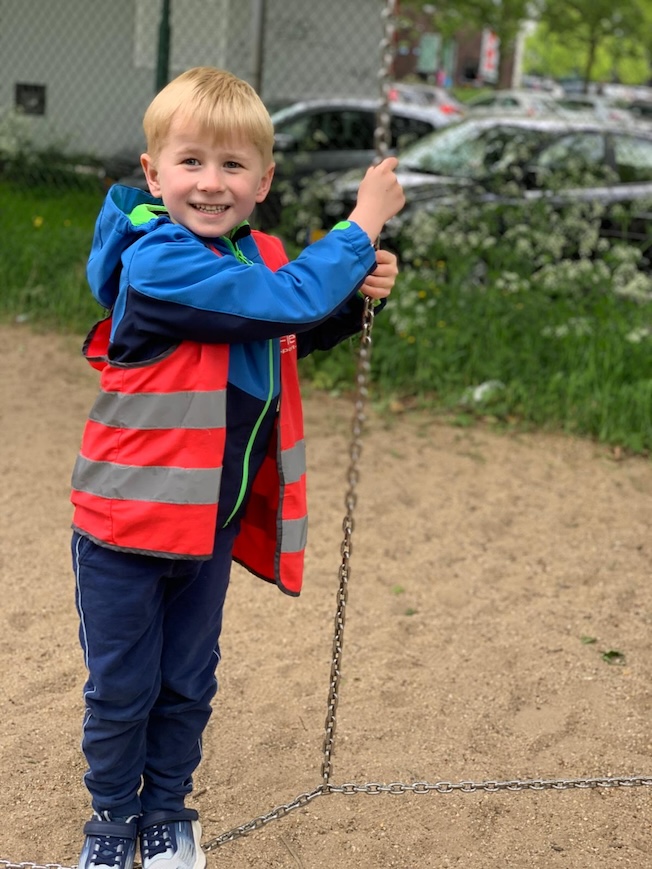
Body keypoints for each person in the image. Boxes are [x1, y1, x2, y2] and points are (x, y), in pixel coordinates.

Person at [70, 66, 404, 869]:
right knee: (122, 687)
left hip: (205, 526)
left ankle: (166, 810)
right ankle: (111, 820)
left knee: (188, 680)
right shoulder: (158, 260)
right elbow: (282, 303)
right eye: (190, 161)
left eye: (232, 165)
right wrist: (360, 225)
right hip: (124, 527)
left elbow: (276, 335)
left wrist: (354, 299)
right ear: (153, 173)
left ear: (263, 181)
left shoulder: (252, 260)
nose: (211, 183)